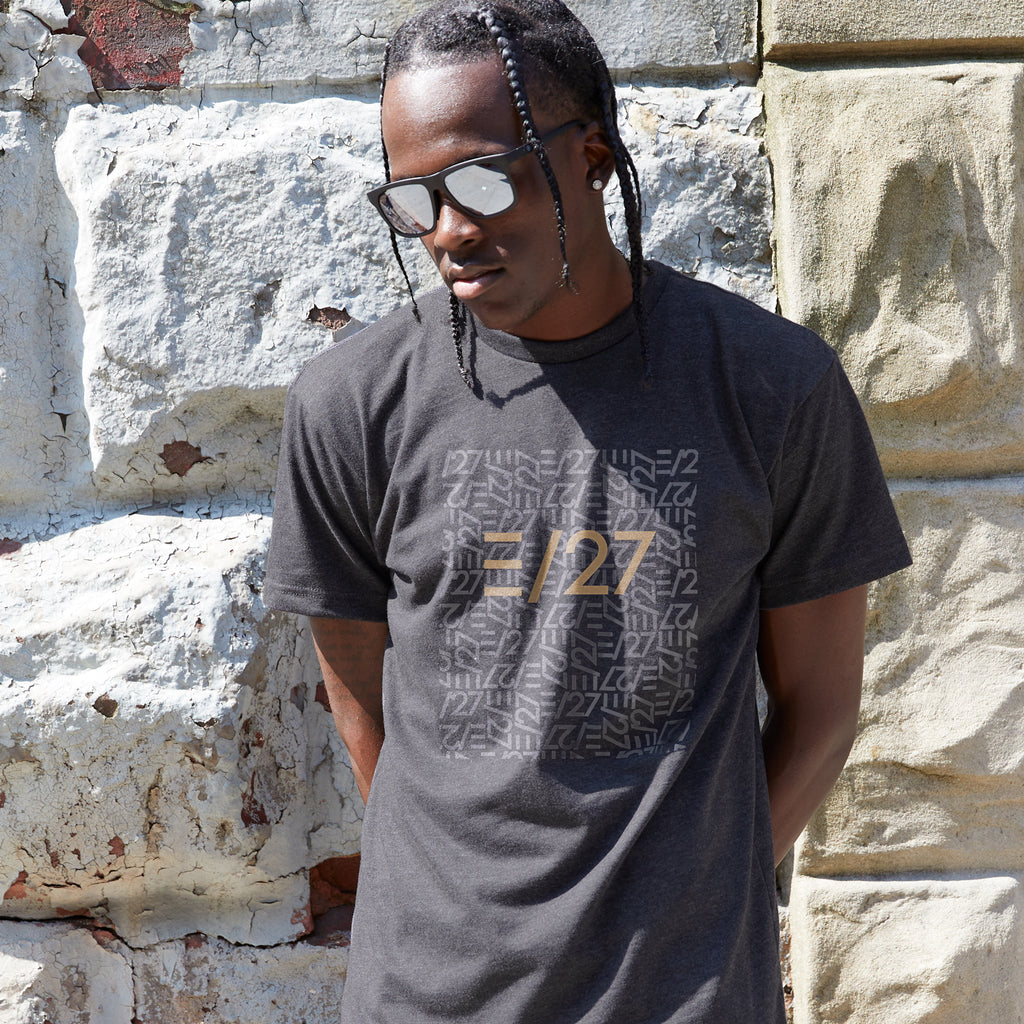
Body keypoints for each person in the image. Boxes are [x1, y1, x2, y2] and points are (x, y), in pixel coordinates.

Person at [264, 0, 912, 1019]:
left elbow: (821, 711)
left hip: (684, 992)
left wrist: (692, 896)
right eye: (413, 199)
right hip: (430, 992)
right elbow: (361, 709)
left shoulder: (770, 385)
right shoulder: (351, 401)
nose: (448, 231)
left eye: (481, 179)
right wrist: (455, 894)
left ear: (594, 156)